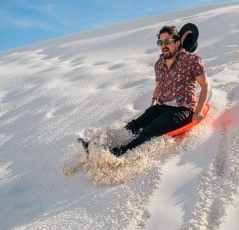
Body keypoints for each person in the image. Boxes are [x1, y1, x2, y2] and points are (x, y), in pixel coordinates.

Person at [79, 25, 210, 156]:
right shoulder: (159, 64)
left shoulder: (191, 60)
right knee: (134, 125)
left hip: (182, 109)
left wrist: (198, 111)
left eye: (167, 41)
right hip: (161, 106)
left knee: (150, 130)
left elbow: (205, 85)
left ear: (177, 41)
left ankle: (117, 153)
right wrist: (153, 104)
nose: (163, 45)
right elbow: (159, 85)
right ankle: (97, 145)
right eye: (160, 42)